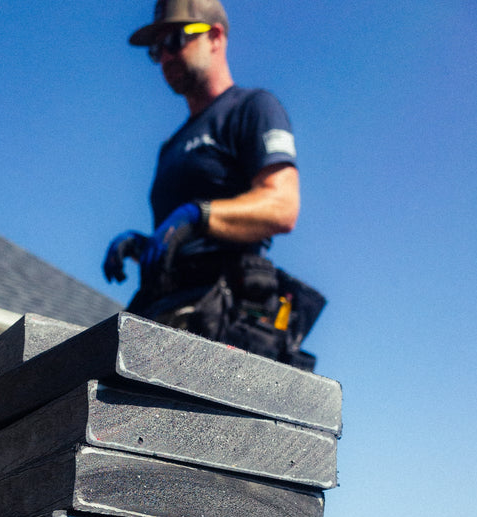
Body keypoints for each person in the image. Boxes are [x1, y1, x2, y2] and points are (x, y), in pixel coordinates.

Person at [103, 0, 321, 363]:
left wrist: (196, 216)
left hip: (222, 320)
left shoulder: (252, 108)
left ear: (215, 36)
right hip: (168, 312)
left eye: (175, 40)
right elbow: (176, 238)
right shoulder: (170, 146)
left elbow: (283, 206)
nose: (165, 57)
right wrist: (146, 246)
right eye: (156, 49)